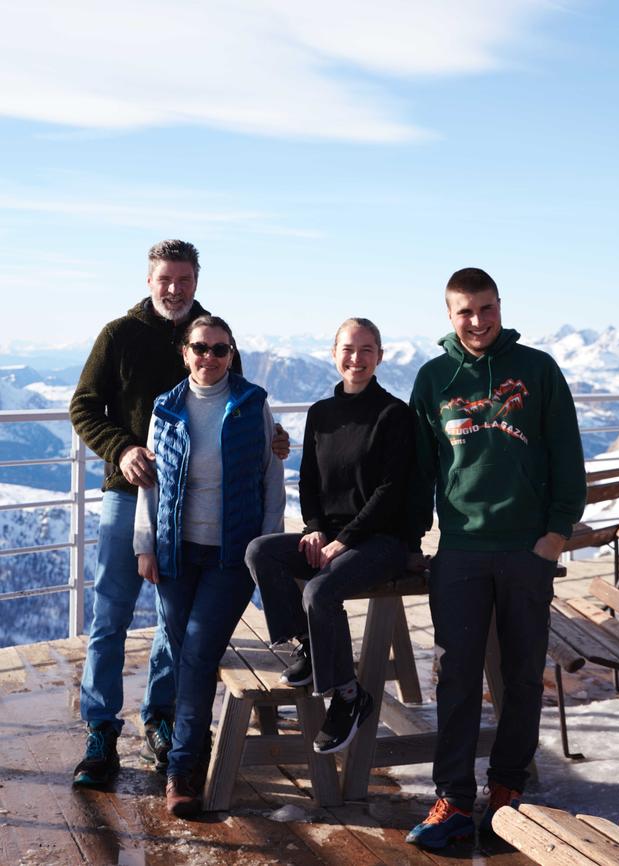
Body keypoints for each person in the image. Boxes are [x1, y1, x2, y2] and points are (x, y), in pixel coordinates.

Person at [69, 240, 288, 787]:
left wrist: (268, 437)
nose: (174, 288)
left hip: (198, 509)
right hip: (131, 491)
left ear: (196, 280)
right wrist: (122, 448)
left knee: (175, 621)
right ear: (149, 280)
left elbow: (237, 405)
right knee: (111, 614)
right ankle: (101, 729)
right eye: (165, 279)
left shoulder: (211, 332)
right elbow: (83, 406)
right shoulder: (120, 335)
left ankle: (162, 720)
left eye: (184, 279)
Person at [405, 268, 587, 851]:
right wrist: (416, 540)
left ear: (499, 307)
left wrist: (554, 536)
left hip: (525, 550)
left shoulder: (537, 369)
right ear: (448, 314)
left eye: (486, 309)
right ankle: (454, 798)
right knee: (455, 676)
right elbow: (417, 472)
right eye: (465, 312)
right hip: (459, 551)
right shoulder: (434, 378)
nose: (478, 322)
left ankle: (507, 789)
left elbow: (567, 456)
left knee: (521, 677)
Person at [133, 314, 285, 818]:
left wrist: (264, 546)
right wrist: (145, 545)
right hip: (176, 552)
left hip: (231, 555)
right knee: (183, 655)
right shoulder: (166, 408)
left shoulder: (251, 403)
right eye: (201, 347)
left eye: (221, 350)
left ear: (231, 353)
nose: (210, 358)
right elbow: (150, 484)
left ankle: (180, 770)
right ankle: (193, 748)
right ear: (186, 352)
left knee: (197, 653)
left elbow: (270, 476)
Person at [245, 317, 413, 755]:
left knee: (320, 592)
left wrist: (346, 540)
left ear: (379, 356)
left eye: (366, 350)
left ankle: (348, 695)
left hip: (382, 540)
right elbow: (309, 482)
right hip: (333, 534)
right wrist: (316, 529)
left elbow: (391, 492)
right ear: (334, 353)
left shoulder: (394, 414)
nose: (356, 359)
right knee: (262, 551)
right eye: (348, 349)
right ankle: (306, 643)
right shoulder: (321, 414)